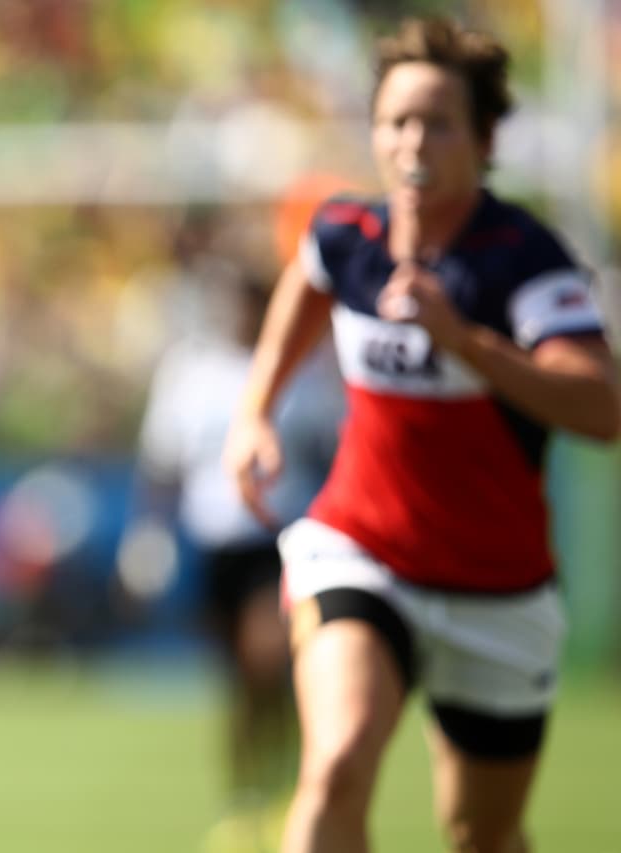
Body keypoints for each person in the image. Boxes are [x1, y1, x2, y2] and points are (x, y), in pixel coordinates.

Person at [223, 16, 620, 853]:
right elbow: (308, 282)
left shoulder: (523, 260)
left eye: (438, 123)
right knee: (334, 764)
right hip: (362, 551)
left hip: (497, 587)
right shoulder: (348, 234)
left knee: (482, 832)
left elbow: (601, 408)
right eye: (397, 120)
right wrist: (255, 409)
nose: (413, 142)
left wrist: (465, 342)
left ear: (484, 139)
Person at [120, 256, 343, 852]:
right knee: (238, 680)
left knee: (266, 658)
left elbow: (330, 454)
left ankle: (289, 787)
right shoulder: (190, 373)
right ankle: (248, 794)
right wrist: (149, 535)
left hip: (278, 540)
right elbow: (163, 462)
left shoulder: (301, 371)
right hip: (213, 544)